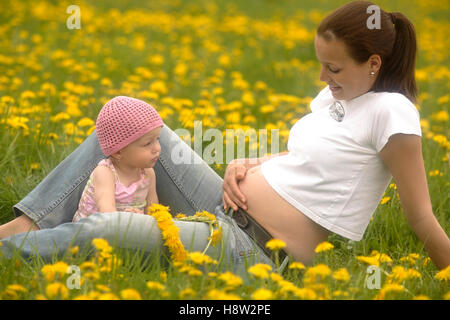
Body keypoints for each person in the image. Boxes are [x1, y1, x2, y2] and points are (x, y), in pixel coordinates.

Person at [0, 1, 449, 272]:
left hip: (252, 249)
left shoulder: (392, 114)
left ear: (373, 63)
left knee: (109, 229)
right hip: (222, 203)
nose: (322, 76)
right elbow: (304, 157)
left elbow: (421, 217)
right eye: (321, 64)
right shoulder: (340, 98)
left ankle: (11, 253)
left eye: (333, 68)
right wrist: (251, 163)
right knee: (123, 128)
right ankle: (26, 225)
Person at [73, 96, 162, 222]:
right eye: (148, 143)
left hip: (129, 231)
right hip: (94, 232)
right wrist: (132, 219)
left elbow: (154, 212)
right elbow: (107, 214)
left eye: (157, 139)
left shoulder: (148, 174)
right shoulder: (105, 173)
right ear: (118, 152)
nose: (157, 148)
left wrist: (145, 219)